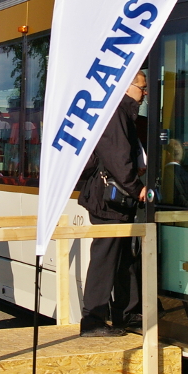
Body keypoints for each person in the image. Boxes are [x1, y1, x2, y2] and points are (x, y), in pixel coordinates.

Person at [77, 70, 148, 337]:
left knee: (124, 258)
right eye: (142, 88)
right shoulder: (115, 114)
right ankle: (93, 320)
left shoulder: (122, 112)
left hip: (116, 199)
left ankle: (126, 314)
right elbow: (119, 160)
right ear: (127, 87)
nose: (145, 93)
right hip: (108, 200)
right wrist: (137, 188)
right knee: (106, 258)